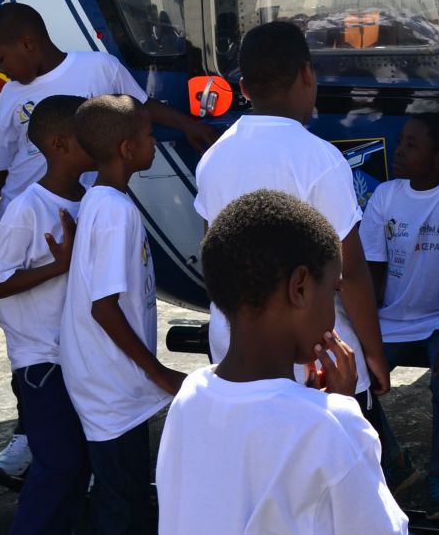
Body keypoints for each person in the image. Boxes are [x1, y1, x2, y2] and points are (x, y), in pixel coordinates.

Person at [156, 189, 409, 534]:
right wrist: (342, 410)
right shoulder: (331, 425)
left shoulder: (189, 399)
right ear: (301, 287)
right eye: (333, 292)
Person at [193, 20, 390, 413]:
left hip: (237, 354)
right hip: (315, 364)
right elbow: (348, 271)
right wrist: (374, 353)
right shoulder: (320, 159)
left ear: (244, 89)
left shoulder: (213, 159)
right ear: (307, 73)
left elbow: (214, 256)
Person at [0, 2, 216, 253]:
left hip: (78, 215)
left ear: (26, 43)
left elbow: (143, 105)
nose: (0, 70)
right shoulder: (11, 94)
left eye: (0, 59)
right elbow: (0, 167)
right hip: (25, 219)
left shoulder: (99, 68)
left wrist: (189, 126)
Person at [61, 95, 188, 535]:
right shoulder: (116, 212)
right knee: (123, 501)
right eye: (149, 135)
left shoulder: (102, 200)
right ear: (127, 149)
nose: (155, 142)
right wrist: (160, 373)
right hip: (111, 386)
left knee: (124, 493)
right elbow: (103, 307)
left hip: (106, 380)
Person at [0, 95, 92, 534]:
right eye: (91, 135)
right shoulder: (28, 208)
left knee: (78, 464)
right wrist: (58, 266)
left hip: (76, 355)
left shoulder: (89, 199)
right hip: (40, 360)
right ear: (61, 144)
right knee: (58, 464)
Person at [361, 109, 439, 518]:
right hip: (391, 321)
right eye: (401, 141)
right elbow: (370, 272)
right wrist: (365, 338)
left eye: (411, 145)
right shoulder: (386, 196)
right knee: (352, 378)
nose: (399, 151)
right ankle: (392, 461)